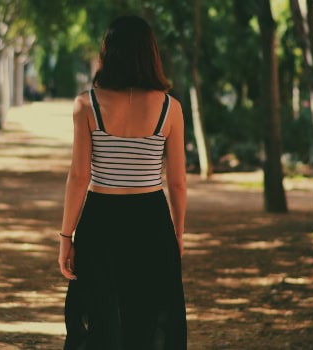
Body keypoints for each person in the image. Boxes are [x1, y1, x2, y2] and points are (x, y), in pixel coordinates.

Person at [57, 15, 188, 350]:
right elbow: (177, 183)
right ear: (150, 54)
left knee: (100, 317)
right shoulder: (170, 109)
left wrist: (66, 236)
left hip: (101, 220)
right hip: (152, 219)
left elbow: (79, 176)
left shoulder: (87, 105)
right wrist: (177, 234)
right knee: (147, 317)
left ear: (108, 53)